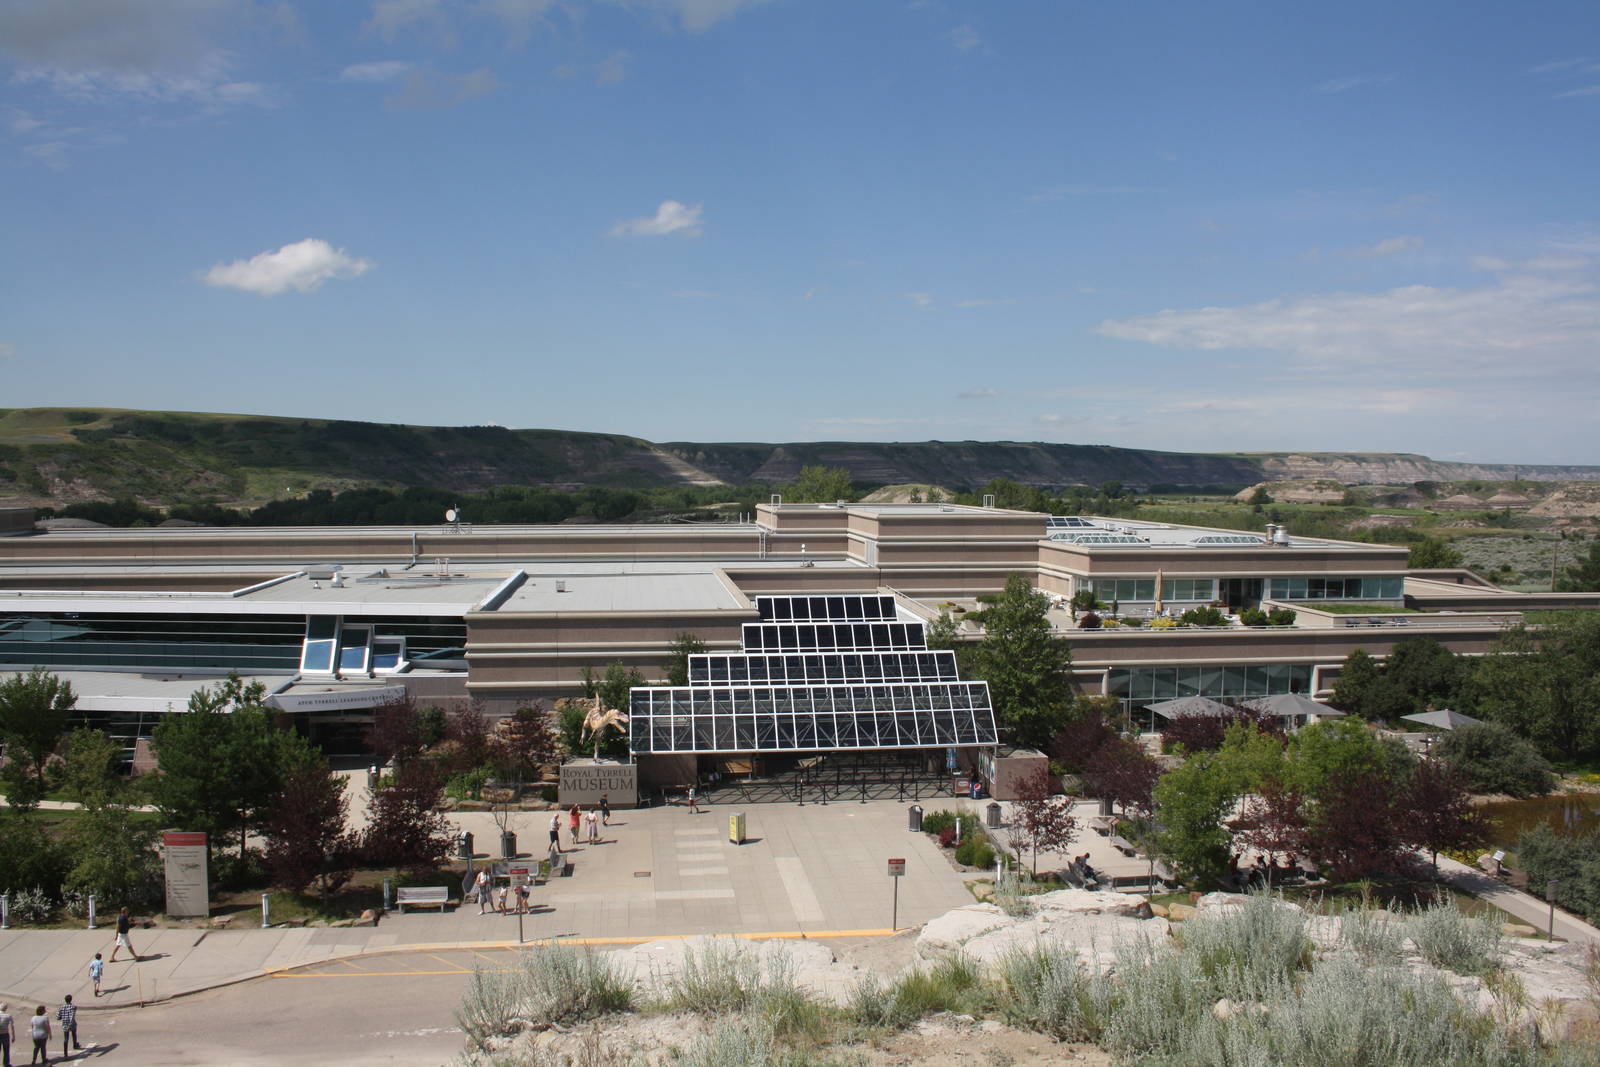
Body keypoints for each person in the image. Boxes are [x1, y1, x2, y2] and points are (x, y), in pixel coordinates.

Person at [0, 1001, 14, 1067]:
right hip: (5, 1034)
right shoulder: (8, 1016)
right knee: (6, 1050)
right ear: (5, 1008)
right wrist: (13, 1036)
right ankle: (6, 1063)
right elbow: (12, 1026)